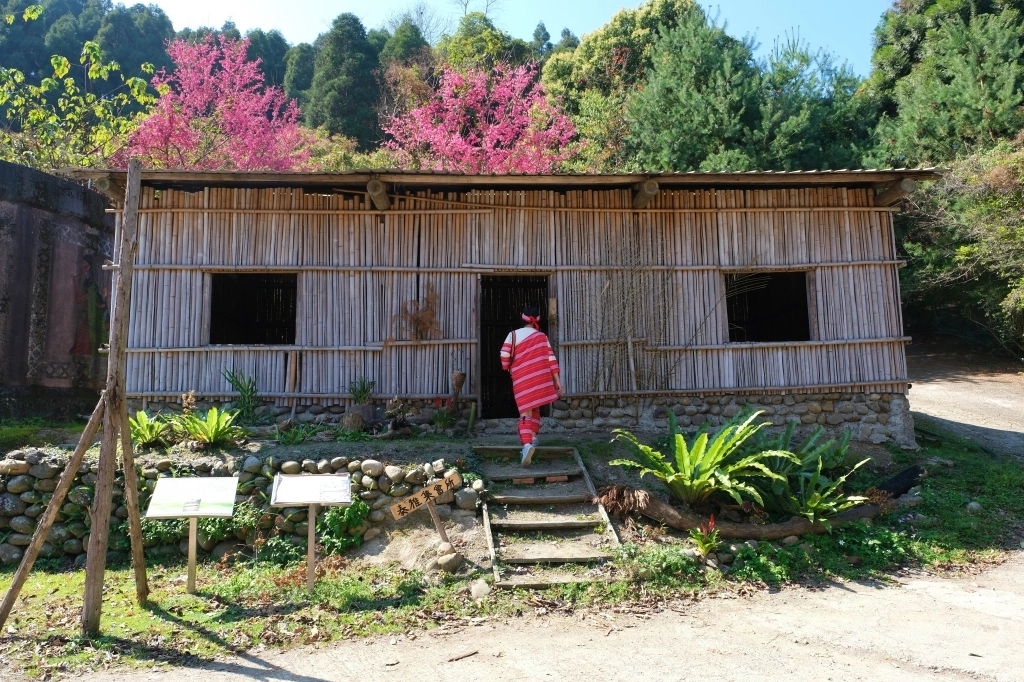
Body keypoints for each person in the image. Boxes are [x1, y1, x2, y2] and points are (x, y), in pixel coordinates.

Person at [500, 305, 563, 465]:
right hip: (540, 379)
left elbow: (504, 354)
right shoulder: (542, 337)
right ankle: (533, 438)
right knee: (534, 408)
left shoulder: (513, 335)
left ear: (522, 319)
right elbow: (551, 359)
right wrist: (557, 381)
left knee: (525, 412)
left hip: (522, 379)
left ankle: (527, 445)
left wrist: (507, 366)